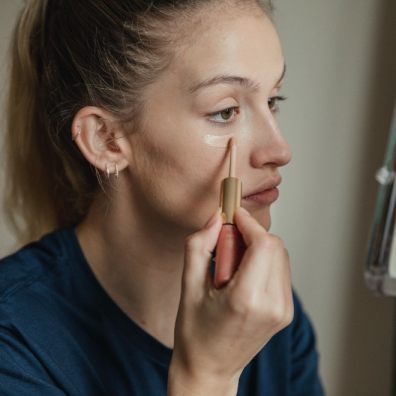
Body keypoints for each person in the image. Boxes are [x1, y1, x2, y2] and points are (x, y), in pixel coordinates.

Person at [0, 0, 325, 395]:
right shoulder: (14, 343)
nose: (279, 149)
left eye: (273, 101)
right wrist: (206, 376)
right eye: (226, 111)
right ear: (105, 139)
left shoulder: (262, 311)